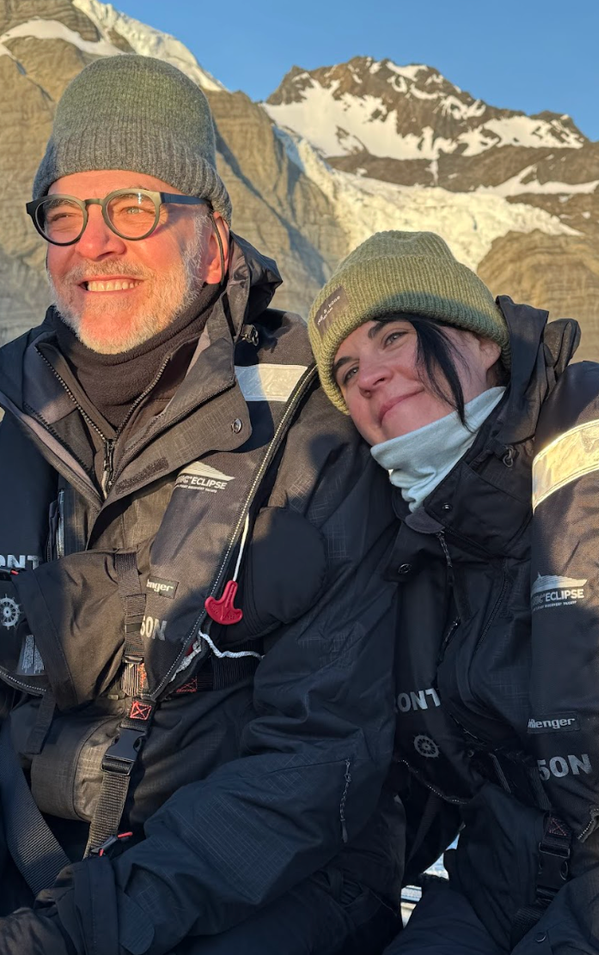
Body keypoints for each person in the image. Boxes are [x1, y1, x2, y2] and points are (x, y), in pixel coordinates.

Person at [0, 56, 403, 955]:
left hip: (247, 887)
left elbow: (320, 757)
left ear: (213, 241)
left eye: (134, 207)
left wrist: (84, 925)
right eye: (64, 214)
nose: (93, 242)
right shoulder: (7, 408)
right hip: (34, 852)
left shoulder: (313, 432)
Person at [308, 230, 599, 954]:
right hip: (501, 888)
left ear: (483, 338)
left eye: (395, 336)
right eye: (346, 370)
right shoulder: (425, 542)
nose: (369, 375)